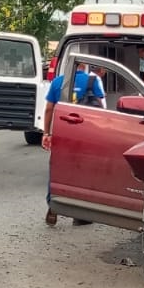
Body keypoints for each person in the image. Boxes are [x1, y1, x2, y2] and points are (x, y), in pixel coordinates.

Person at [41, 61, 105, 226]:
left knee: (57, 169)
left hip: (62, 132)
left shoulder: (57, 82)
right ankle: (81, 214)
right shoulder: (92, 81)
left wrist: (47, 133)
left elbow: (49, 109)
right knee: (83, 171)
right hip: (85, 135)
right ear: (84, 66)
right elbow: (100, 107)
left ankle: (53, 204)